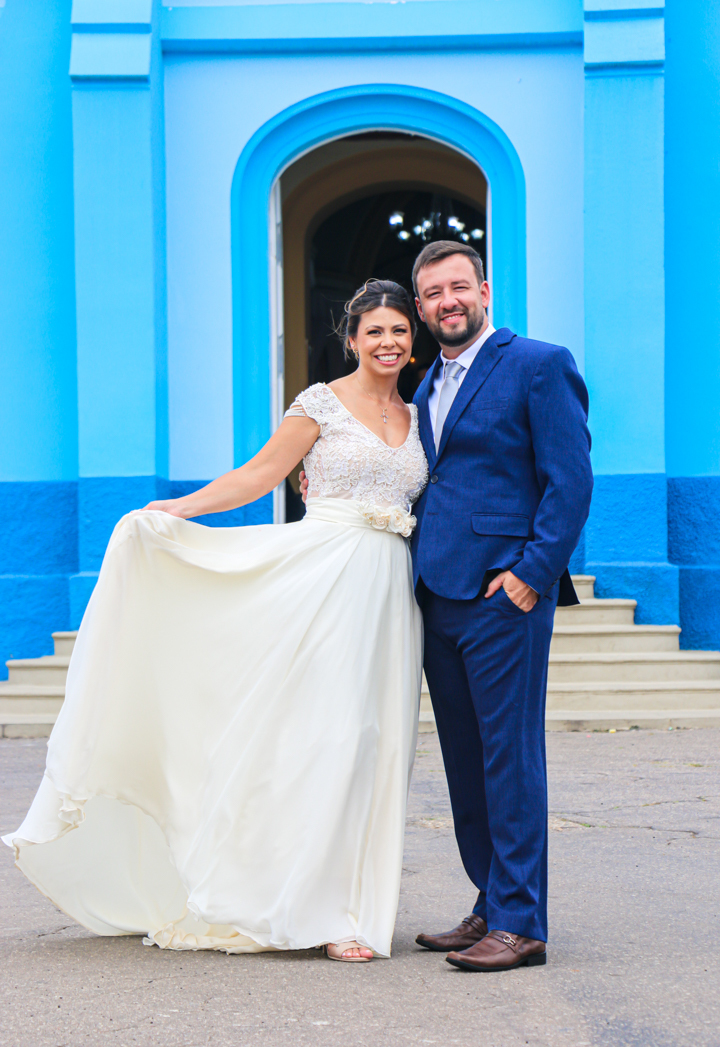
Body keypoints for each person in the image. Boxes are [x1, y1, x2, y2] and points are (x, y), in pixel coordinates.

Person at [3, 279, 429, 964]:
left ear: (414, 343)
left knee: (372, 749)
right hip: (320, 582)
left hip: (388, 597)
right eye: (374, 331)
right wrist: (179, 511)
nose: (387, 342)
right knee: (322, 740)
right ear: (351, 339)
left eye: (399, 331)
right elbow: (260, 474)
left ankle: (352, 901)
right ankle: (317, 910)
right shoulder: (320, 403)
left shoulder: (421, 416)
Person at [410, 241, 593, 971]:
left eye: (458, 287)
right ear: (422, 308)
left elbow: (570, 481)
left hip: (502, 594)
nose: (447, 301)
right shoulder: (426, 385)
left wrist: (531, 575)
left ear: (483, 290)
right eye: (432, 294)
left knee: (509, 759)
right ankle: (489, 901)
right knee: (464, 760)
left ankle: (522, 922)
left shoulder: (538, 363)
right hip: (437, 595)